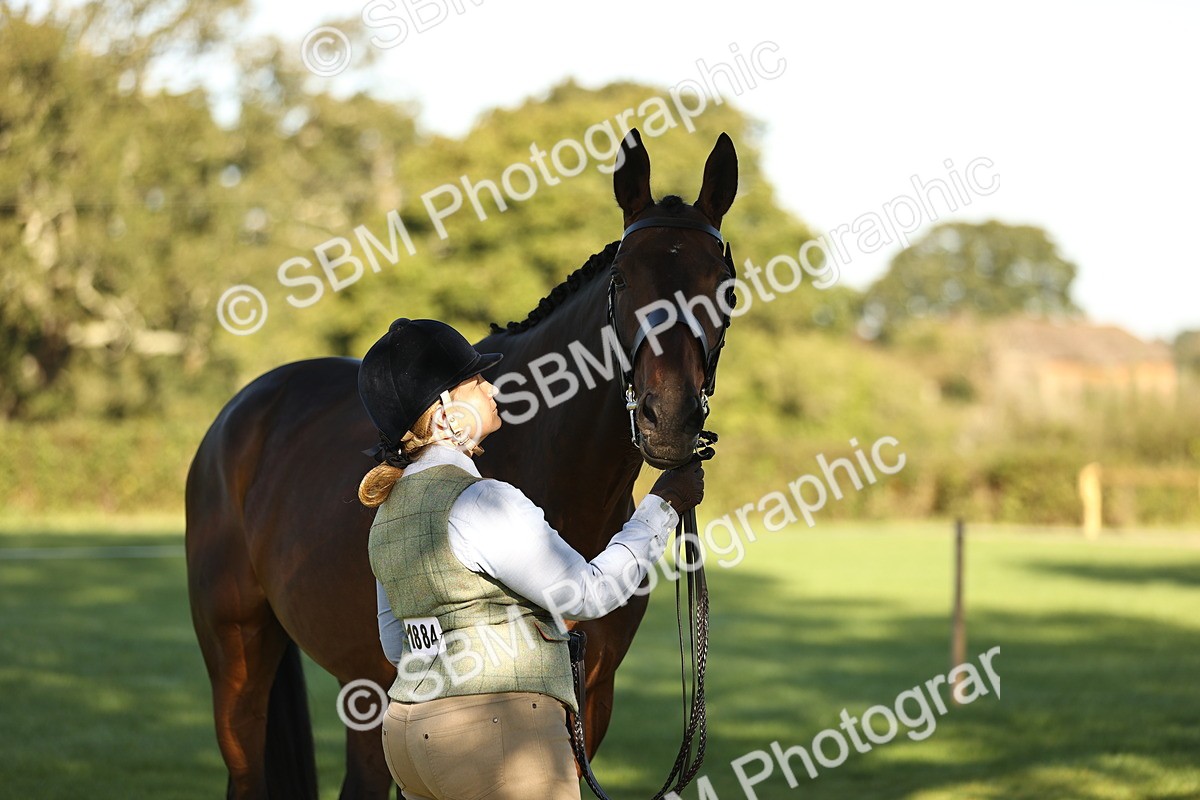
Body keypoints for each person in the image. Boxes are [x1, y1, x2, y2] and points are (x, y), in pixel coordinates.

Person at [357, 318, 704, 800]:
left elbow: (399, 645)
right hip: (497, 735)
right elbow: (590, 592)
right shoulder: (483, 502)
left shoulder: (385, 517)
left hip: (408, 738)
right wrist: (662, 506)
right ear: (444, 413)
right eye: (476, 382)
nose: (491, 388)